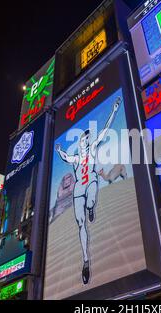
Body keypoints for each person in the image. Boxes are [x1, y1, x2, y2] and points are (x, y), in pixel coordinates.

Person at [55, 96, 121, 284]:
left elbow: (106, 130)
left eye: (88, 137)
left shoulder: (93, 148)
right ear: (80, 142)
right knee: (81, 224)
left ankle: (91, 207)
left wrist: (114, 111)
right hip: (78, 190)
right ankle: (86, 261)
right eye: (84, 138)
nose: (87, 139)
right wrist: (59, 150)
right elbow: (65, 157)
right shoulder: (76, 157)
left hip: (91, 181)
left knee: (91, 200)